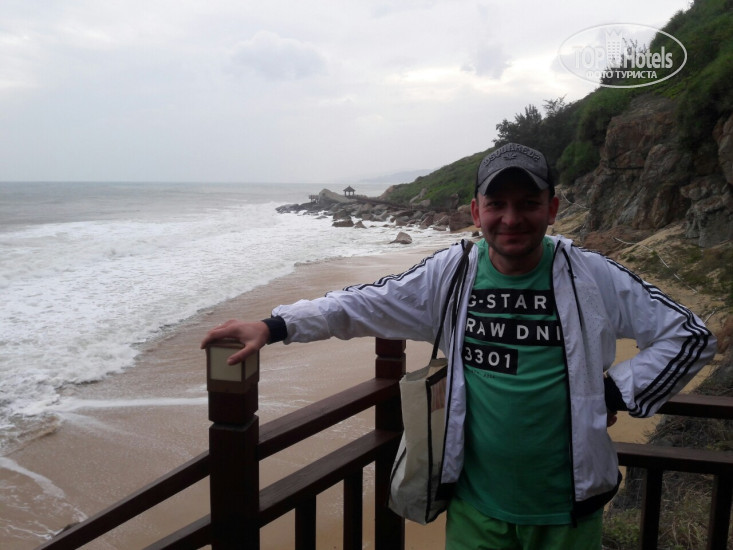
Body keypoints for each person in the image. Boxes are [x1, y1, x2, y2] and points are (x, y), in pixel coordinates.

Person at [201, 142, 717, 549]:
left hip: (569, 513)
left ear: (553, 209)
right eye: (497, 204)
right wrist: (275, 325)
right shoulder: (453, 275)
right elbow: (364, 304)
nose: (511, 218)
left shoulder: (592, 276)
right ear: (476, 210)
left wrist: (614, 393)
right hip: (474, 509)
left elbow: (690, 336)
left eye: (528, 203)